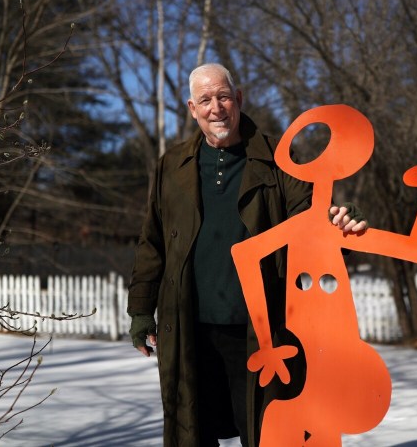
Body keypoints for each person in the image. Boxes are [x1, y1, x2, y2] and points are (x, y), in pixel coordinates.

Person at [127, 63, 366, 447]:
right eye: (205, 100)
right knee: (193, 431)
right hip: (189, 327)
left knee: (266, 431)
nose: (216, 107)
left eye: (223, 96)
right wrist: (141, 310)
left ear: (238, 99)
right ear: (192, 108)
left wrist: (338, 219)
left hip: (260, 331)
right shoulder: (171, 165)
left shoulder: (279, 158)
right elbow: (152, 242)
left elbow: (310, 218)